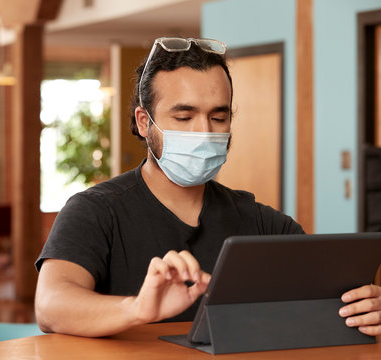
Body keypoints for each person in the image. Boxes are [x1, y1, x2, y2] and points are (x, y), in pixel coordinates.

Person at [35, 37, 381, 338]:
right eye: (184, 117)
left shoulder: (261, 223)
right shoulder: (95, 210)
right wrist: (137, 309)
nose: (204, 132)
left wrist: (365, 305)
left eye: (219, 117)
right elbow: (51, 306)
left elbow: (325, 298)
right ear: (145, 122)